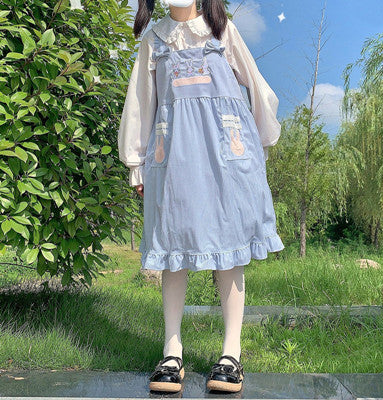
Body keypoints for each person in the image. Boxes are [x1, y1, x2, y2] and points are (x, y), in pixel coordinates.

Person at [117, 0, 284, 393]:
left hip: (227, 156)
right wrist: (136, 161)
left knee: (229, 249)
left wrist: (259, 144)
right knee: (173, 248)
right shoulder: (155, 40)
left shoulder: (221, 30)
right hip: (173, 155)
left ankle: (231, 353)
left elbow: (256, 85)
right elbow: (140, 103)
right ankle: (171, 350)